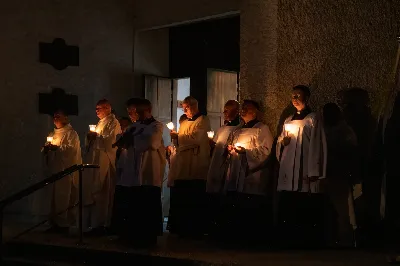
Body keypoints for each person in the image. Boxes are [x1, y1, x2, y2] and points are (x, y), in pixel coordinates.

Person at [276, 85, 327, 247]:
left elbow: (317, 145)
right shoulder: (288, 120)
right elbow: (280, 140)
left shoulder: (313, 118)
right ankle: (288, 239)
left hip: (304, 167)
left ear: (307, 97)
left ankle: (305, 241)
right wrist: (282, 143)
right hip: (288, 166)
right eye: (293, 96)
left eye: (298, 95)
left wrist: (314, 170)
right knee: (288, 201)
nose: (295, 99)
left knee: (304, 203)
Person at [113, 98, 166, 247]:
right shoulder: (133, 127)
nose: (134, 114)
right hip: (131, 171)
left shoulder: (156, 125)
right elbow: (121, 141)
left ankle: (148, 237)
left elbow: (153, 142)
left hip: (148, 170)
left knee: (147, 202)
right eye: (133, 112)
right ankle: (131, 235)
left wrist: (132, 141)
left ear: (147, 111)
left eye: (137, 111)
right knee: (133, 203)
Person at [222, 100, 273, 244]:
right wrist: (230, 150)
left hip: (251, 175)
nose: (243, 110)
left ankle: (251, 240)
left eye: (247, 108)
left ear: (255, 111)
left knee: (251, 208)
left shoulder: (262, 129)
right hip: (236, 173)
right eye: (242, 108)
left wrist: (247, 152)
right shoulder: (237, 129)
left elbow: (266, 151)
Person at [168, 96, 211, 237]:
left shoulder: (203, 120)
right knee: (182, 192)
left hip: (196, 160)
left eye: (186, 108)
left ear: (193, 106)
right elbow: (182, 140)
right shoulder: (185, 122)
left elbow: (198, 139)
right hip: (183, 161)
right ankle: (181, 227)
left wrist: (178, 136)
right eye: (183, 108)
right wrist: (175, 138)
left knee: (194, 193)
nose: (184, 110)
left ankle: (195, 229)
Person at [83, 99, 121, 236]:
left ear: (107, 108)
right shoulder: (100, 123)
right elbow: (92, 143)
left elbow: (111, 142)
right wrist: (89, 138)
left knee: (102, 193)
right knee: (93, 192)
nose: (96, 111)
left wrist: (96, 137)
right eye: (96, 108)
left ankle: (101, 224)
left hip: (104, 161)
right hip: (95, 161)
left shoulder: (114, 123)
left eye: (99, 108)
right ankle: (92, 224)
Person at [41, 110, 81, 233]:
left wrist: (57, 148)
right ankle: (54, 223)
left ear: (66, 118)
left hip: (65, 171)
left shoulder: (71, 133)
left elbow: (71, 150)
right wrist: (46, 149)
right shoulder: (52, 133)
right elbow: (45, 148)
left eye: (58, 116)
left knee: (63, 197)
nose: (55, 119)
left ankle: (64, 225)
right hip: (54, 171)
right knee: (53, 198)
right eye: (54, 117)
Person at [323, 102, 357, 248]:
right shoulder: (326, 130)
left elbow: (350, 151)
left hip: (339, 173)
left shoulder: (344, 131)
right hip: (329, 173)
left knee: (342, 209)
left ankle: (345, 239)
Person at [206, 100, 242, 235]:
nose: (224, 112)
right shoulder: (222, 128)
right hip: (216, 163)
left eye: (227, 110)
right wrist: (211, 145)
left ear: (236, 111)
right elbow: (215, 145)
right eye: (224, 110)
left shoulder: (239, 128)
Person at [111, 98, 140, 235]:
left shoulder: (146, 127)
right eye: (129, 112)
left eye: (133, 111)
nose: (131, 114)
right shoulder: (130, 129)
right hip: (125, 165)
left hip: (136, 168)